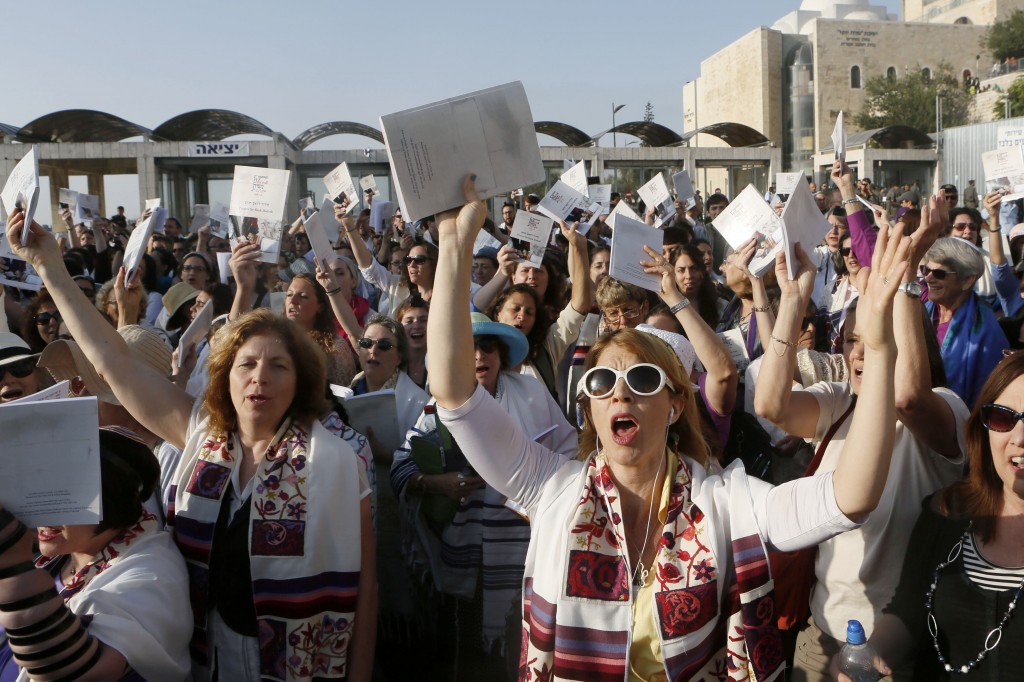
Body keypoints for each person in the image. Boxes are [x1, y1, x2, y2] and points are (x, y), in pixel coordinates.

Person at [425, 176, 910, 680]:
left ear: (676, 405)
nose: (620, 392)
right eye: (601, 381)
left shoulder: (726, 502)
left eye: (640, 377)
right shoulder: (549, 488)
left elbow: (848, 498)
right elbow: (455, 395)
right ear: (588, 407)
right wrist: (454, 247)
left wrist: (879, 349)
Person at [6, 211, 377, 682]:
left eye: (278, 366)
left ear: (301, 378)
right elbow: (115, 362)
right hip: (208, 656)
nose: (259, 377)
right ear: (225, 376)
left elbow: (364, 586)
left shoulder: (338, 459)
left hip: (302, 664)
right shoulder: (202, 435)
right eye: (246, 365)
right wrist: (49, 268)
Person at [756, 200, 970, 682]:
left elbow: (908, 397)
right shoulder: (839, 402)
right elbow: (771, 405)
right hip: (820, 633)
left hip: (896, 644)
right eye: (851, 339)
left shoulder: (947, 408)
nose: (859, 350)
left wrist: (907, 278)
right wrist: (791, 301)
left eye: (871, 338)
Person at [391, 313, 576, 679]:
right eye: (467, 347)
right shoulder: (438, 407)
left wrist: (542, 492)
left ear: (501, 354)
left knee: (522, 643)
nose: (478, 356)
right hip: (463, 553)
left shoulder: (533, 393)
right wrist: (436, 482)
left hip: (527, 548)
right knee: (468, 649)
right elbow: (401, 464)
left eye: (487, 346)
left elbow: (570, 450)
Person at [833, 352, 1024, 681]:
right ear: (984, 427)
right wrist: (869, 657)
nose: (1019, 439)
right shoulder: (946, 513)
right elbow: (908, 612)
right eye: (1003, 418)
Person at [0, 428, 192, 681]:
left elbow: (84, 672)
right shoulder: (61, 558)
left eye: (61, 497)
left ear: (111, 499)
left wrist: (13, 567)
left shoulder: (152, 573)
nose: (43, 514)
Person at [923, 237, 1008, 407]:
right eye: (925, 270)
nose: (928, 278)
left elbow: (986, 395)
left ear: (967, 280)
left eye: (939, 273)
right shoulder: (923, 311)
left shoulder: (985, 330)